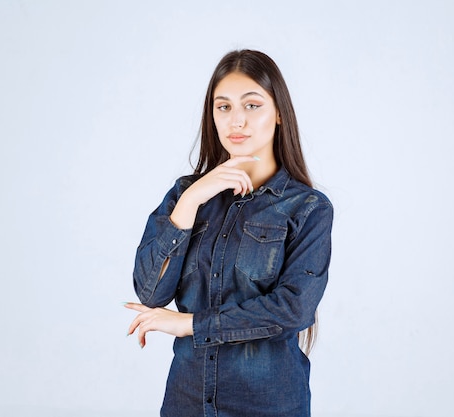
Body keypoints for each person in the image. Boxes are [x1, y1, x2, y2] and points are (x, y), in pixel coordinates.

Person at [124, 49, 333, 417]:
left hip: (269, 404)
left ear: (279, 113)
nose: (236, 120)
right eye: (223, 107)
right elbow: (150, 292)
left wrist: (191, 324)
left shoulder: (308, 208)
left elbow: (293, 309)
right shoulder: (186, 195)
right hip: (187, 401)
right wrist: (190, 201)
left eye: (252, 105)